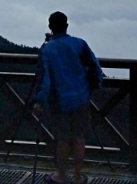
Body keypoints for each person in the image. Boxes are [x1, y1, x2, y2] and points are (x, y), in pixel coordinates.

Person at [32, 11, 103, 184]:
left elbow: (45, 78)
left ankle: (61, 176)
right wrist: (93, 87)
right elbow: (95, 67)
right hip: (81, 97)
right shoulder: (79, 44)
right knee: (79, 137)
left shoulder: (48, 49)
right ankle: (78, 177)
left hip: (60, 101)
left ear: (50, 27)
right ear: (67, 25)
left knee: (63, 138)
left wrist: (39, 101)